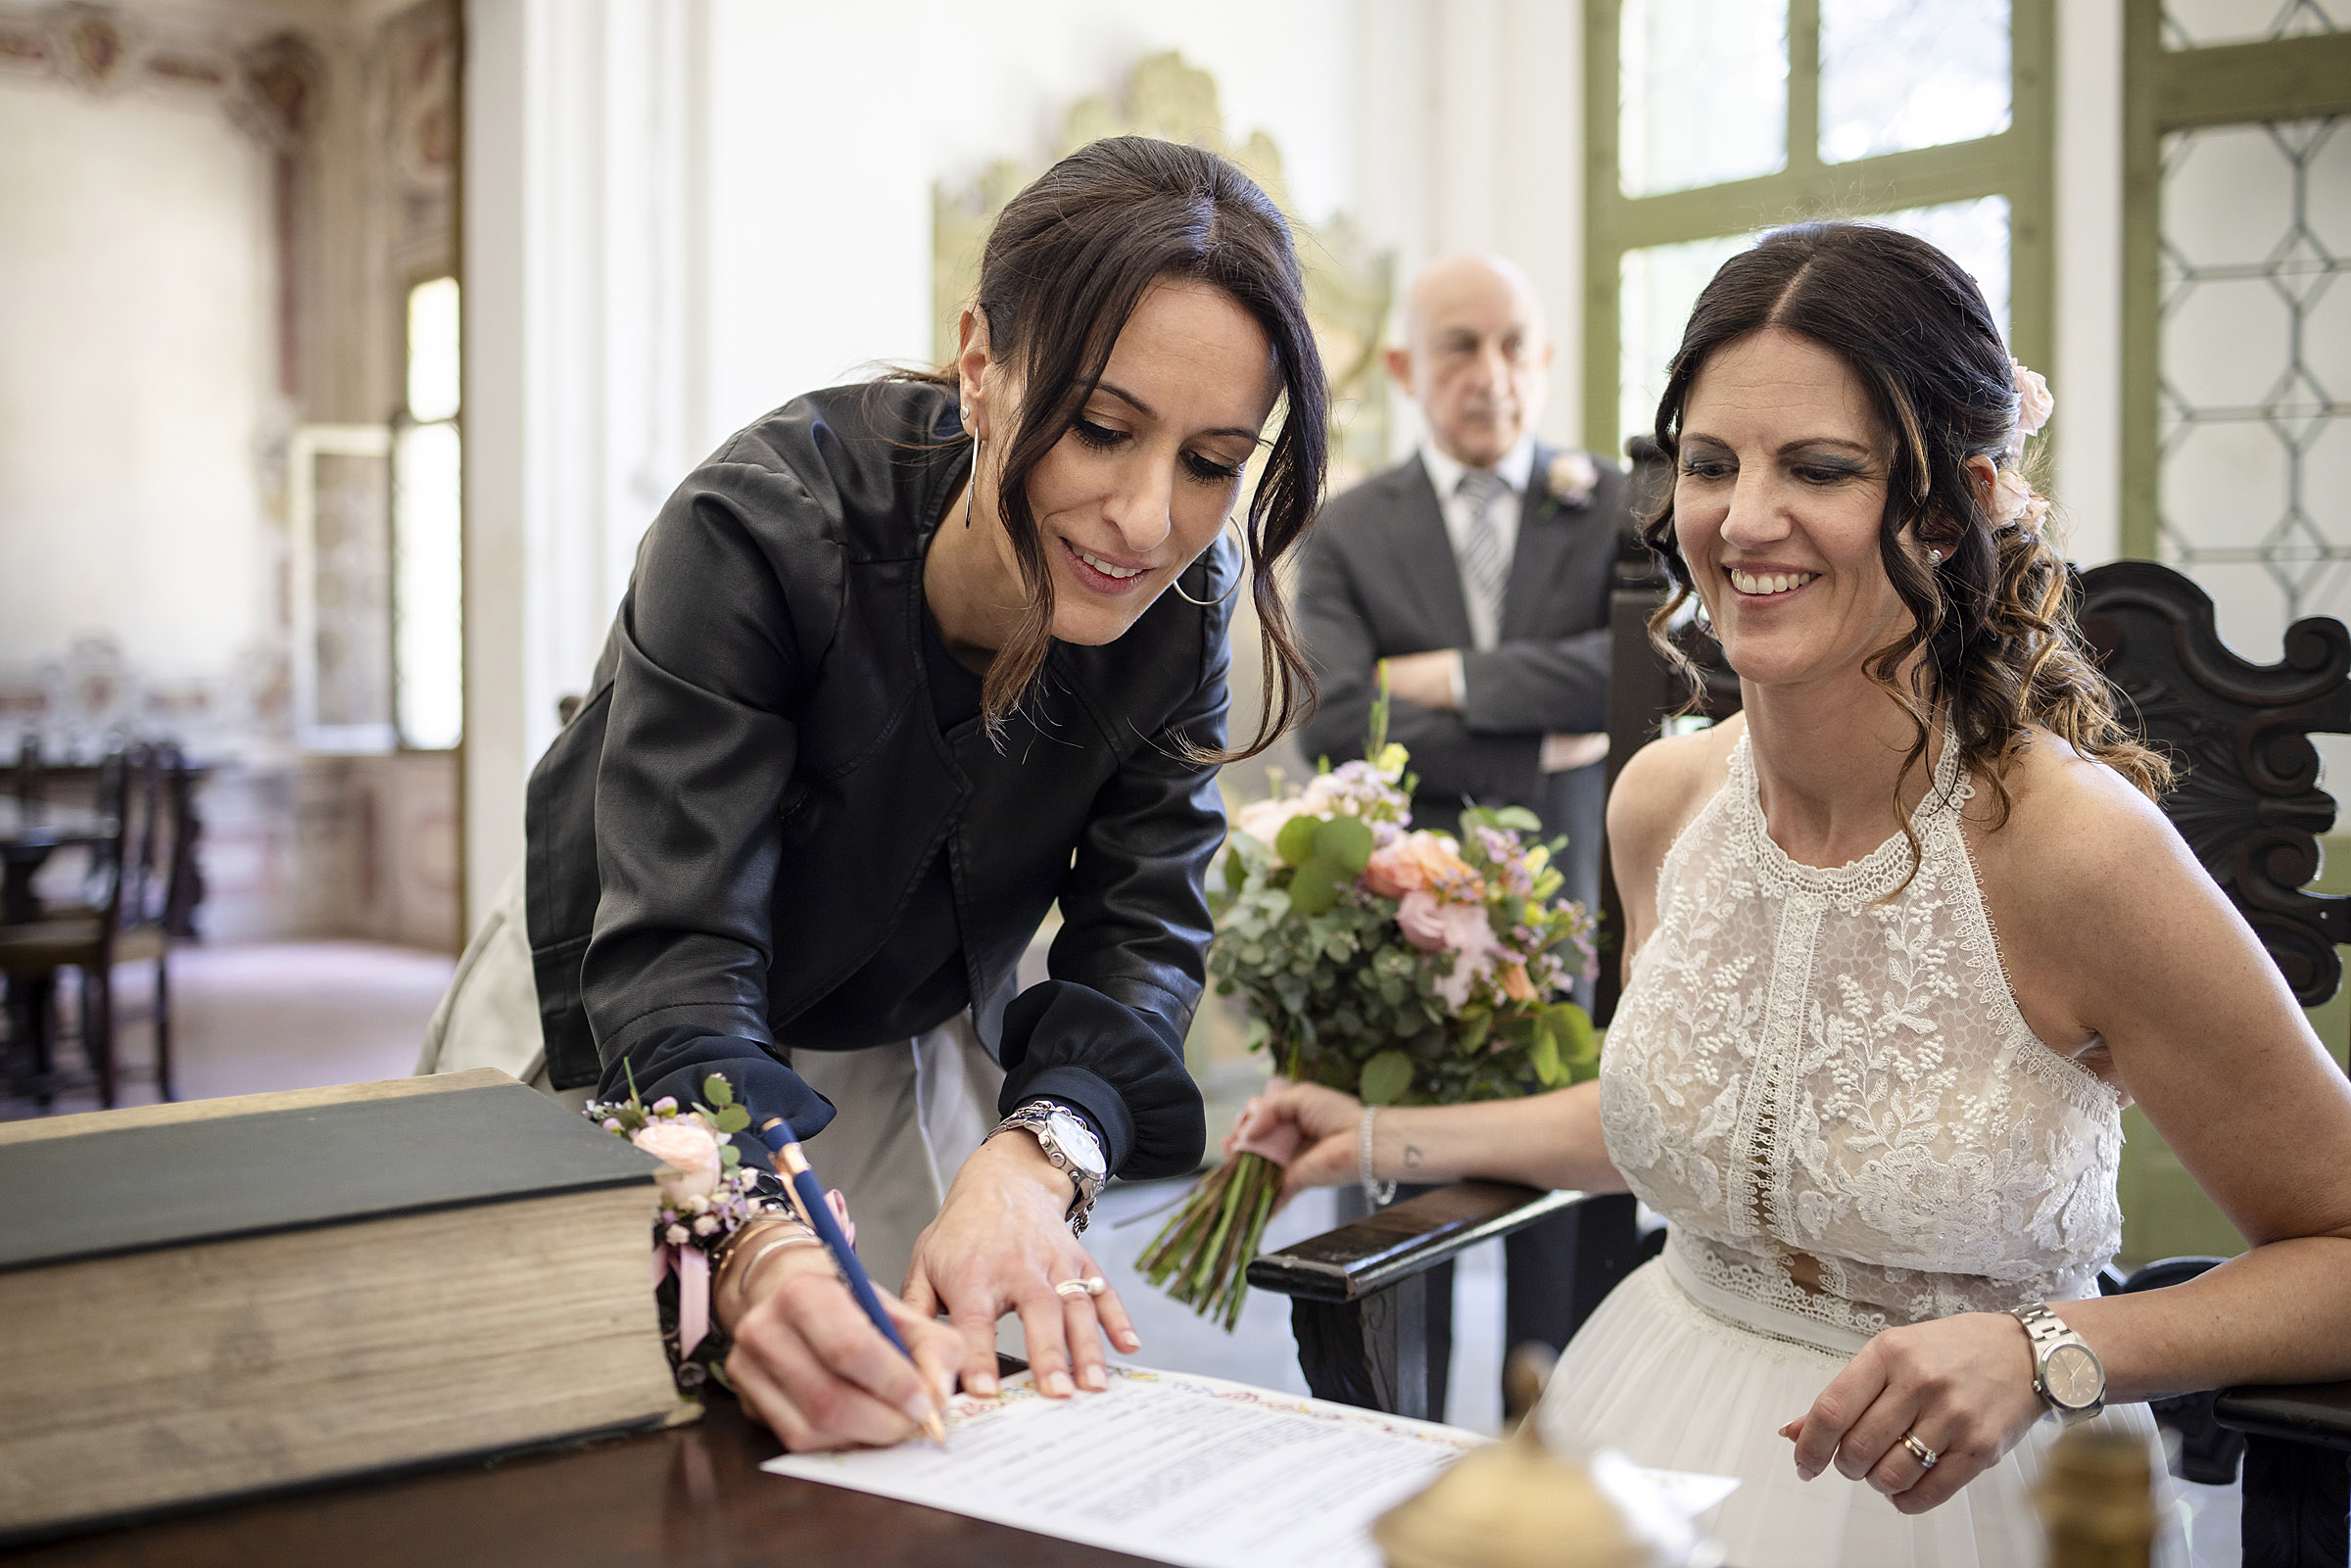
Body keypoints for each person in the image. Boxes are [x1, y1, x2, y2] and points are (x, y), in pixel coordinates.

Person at [1231, 222, 2351, 1563]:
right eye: (1712, 465)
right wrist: (1378, 1134)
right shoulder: (1661, 804)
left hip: (1961, 1502)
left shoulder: (2075, 853)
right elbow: (1709, 1116)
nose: (1743, 521)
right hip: (1641, 1420)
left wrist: (2055, 1347)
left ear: (1954, 509)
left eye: (1818, 468)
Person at [418, 136, 1329, 1451]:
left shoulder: (1181, 601)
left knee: (900, 1416)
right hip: (622, 988)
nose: (1145, 517)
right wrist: (754, 1243)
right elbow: (673, 964)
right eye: (1101, 428)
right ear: (979, 364)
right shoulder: (753, 531)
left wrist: (1039, 1160)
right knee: (566, 1414)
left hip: (895, 1017)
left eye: (1211, 462)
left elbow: (1144, 931)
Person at [1290, 252, 1630, 1398]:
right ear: (1401, 367)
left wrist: (1441, 680)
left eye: (1514, 345)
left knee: (1565, 1194)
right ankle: (1397, 1436)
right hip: (1402, 931)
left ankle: (1551, 1440)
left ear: (1543, 358)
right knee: (1395, 1192)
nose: (1492, 374)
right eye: (1460, 346)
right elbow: (1336, 722)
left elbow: (1641, 672)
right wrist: (1543, 726)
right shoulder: (1342, 531)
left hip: (1579, 914)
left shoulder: (1614, 506)